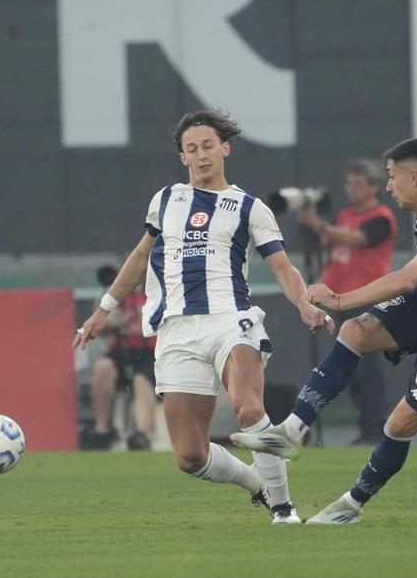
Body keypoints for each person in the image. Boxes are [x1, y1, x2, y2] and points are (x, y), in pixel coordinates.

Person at [232, 138, 417, 524]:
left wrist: (341, 298)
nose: (388, 186)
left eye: (393, 177)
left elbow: (408, 279)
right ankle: (290, 432)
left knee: (398, 424)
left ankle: (351, 505)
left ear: (415, 176)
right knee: (355, 332)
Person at [73, 109, 331, 524]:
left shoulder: (250, 207)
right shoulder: (166, 200)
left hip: (231, 320)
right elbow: (141, 257)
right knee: (190, 456)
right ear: (183, 157)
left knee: (248, 409)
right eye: (191, 149)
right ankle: (259, 483)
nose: (201, 155)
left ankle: (284, 510)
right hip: (176, 330)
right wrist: (104, 309)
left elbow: (282, 266)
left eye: (208, 146)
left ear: (224, 148)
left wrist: (303, 302)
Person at [296, 158, 397, 446]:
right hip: (341, 300)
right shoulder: (345, 216)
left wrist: (319, 225)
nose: (351, 189)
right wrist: (312, 227)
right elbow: (333, 245)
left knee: (368, 369)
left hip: (366, 298)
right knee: (351, 370)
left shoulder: (381, 217)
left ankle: (376, 428)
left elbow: (358, 240)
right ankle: (367, 426)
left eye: (358, 184)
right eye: (349, 183)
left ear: (374, 187)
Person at [81, 284, 158, 452]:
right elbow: (99, 332)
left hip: (150, 352)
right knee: (103, 367)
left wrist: (140, 321)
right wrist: (111, 323)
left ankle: (142, 434)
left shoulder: (157, 290)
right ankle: (102, 430)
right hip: (121, 351)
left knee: (141, 379)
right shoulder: (114, 294)